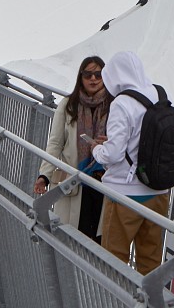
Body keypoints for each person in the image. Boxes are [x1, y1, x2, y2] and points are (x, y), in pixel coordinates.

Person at [90, 51, 171, 275]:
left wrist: (97, 149)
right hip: (158, 192)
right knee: (150, 263)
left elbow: (114, 154)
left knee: (114, 261)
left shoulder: (122, 104)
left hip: (125, 194)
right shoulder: (160, 94)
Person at [34, 56, 111, 241]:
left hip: (104, 183)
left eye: (98, 74)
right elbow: (55, 143)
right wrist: (44, 175)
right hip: (75, 182)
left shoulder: (114, 106)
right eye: (88, 74)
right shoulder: (69, 104)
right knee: (73, 238)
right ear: (81, 77)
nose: (93, 79)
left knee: (99, 242)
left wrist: (109, 142)